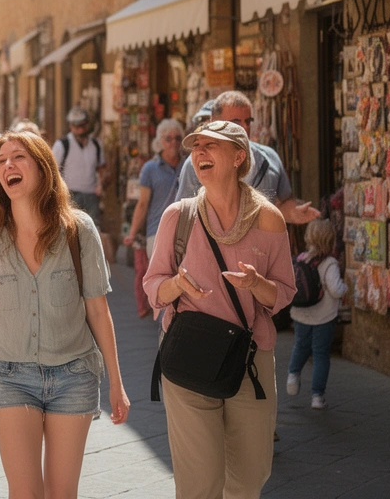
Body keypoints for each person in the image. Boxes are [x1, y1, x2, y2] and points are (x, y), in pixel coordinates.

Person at [0, 130, 130, 498]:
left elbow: (99, 312)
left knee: (62, 492)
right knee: (24, 492)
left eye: (18, 157)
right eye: (1, 161)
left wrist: (117, 384)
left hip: (74, 374)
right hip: (11, 375)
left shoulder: (78, 229)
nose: (8, 165)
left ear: (42, 168)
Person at [144, 121, 297, 499]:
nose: (200, 153)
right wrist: (177, 284)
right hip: (188, 356)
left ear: (239, 156)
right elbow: (153, 287)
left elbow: (284, 292)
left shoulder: (268, 219)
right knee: (200, 483)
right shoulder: (178, 217)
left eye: (212, 145)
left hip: (248, 359)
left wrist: (256, 284)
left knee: (249, 477)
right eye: (196, 146)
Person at [174, 91, 322, 226]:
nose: (244, 127)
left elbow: (284, 201)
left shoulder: (268, 159)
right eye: (236, 122)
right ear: (213, 122)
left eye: (248, 121)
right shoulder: (200, 163)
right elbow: (183, 216)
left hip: (260, 250)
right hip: (215, 251)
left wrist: (293, 213)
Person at [123, 118, 185, 318]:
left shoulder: (188, 165)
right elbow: (142, 204)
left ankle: (178, 315)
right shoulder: (150, 168)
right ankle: (163, 318)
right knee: (162, 277)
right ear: (160, 141)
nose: (173, 142)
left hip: (185, 230)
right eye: (168, 139)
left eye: (177, 138)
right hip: (156, 232)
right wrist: (132, 233)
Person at [287, 218, 347, 410]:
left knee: (300, 346)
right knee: (320, 355)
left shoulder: (302, 259)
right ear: (331, 240)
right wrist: (347, 287)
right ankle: (317, 397)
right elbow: (336, 290)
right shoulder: (330, 264)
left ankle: (293, 375)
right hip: (324, 317)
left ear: (308, 238)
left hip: (301, 314)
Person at [51, 108, 107, 230]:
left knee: (93, 229)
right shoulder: (62, 145)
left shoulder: (96, 145)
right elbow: (52, 170)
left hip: (91, 194)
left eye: (82, 125)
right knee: (70, 229)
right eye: (76, 126)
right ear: (71, 126)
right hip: (70, 194)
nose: (80, 129)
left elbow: (101, 168)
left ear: (87, 124)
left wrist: (101, 185)